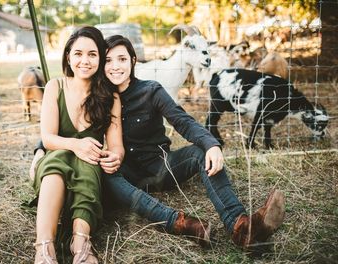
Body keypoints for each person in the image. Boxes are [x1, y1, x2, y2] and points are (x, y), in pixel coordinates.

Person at [32, 35, 285, 251]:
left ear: (133, 61)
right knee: (103, 171)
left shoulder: (151, 90)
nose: (115, 67)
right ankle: (180, 223)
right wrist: (40, 149)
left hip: (161, 165)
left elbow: (182, 120)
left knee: (199, 153)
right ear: (100, 65)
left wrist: (211, 144)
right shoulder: (98, 96)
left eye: (122, 59)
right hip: (124, 174)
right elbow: (68, 126)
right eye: (108, 60)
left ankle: (241, 226)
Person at [31, 27, 124, 264]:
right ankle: (44, 249)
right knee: (55, 162)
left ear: (100, 58)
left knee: (87, 166)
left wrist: (116, 157)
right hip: (56, 162)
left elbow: (116, 145)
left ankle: (80, 244)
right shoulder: (55, 86)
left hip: (88, 165)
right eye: (78, 53)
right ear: (68, 57)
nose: (85, 60)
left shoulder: (110, 97)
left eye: (92, 54)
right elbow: (49, 138)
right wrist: (75, 144)